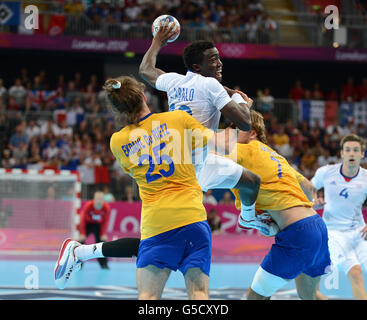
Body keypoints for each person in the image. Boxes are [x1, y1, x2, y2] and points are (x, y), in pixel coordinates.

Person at [54, 75, 261, 299]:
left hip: (157, 225)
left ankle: (80, 253)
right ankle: (80, 252)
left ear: (118, 110)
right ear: (144, 96)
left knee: (149, 298)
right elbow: (226, 144)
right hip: (194, 220)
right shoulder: (178, 120)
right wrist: (241, 108)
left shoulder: (117, 142)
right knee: (200, 294)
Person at [139, 18, 271, 235]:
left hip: (176, 159)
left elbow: (146, 69)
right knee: (251, 181)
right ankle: (248, 216)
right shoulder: (210, 84)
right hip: (197, 164)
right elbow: (245, 122)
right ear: (197, 66)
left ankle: (247, 218)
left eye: (219, 58)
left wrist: (157, 42)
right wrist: (241, 101)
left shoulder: (174, 81)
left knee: (247, 176)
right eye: (213, 59)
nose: (219, 63)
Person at [228, 109, 331, 300]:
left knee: (255, 298)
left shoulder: (245, 149)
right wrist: (308, 203)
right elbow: (308, 186)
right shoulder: (277, 157)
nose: (231, 132)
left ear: (253, 133)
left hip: (298, 233)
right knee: (311, 297)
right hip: (317, 226)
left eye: (237, 128)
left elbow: (206, 150)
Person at [305, 134, 367, 300]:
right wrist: (313, 201)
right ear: (341, 153)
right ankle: (314, 292)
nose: (351, 153)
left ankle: (314, 292)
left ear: (362, 154)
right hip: (333, 232)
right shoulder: (326, 172)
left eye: (355, 150)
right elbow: (308, 188)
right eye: (347, 150)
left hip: (359, 232)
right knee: (355, 273)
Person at [78, 191, 110, 269]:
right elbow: (82, 220)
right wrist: (82, 233)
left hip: (97, 225)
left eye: (101, 199)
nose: (99, 201)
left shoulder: (106, 208)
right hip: (87, 225)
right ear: (94, 199)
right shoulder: (88, 206)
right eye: (97, 199)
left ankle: (104, 264)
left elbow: (105, 222)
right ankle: (79, 264)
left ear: (103, 200)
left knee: (102, 244)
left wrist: (103, 233)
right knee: (80, 242)